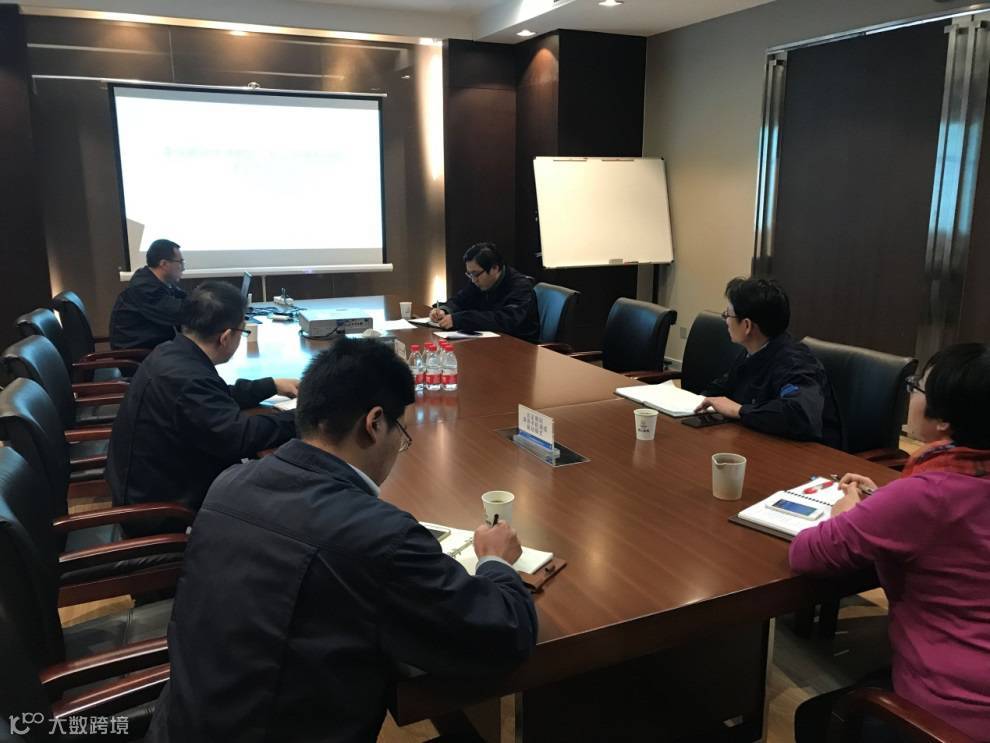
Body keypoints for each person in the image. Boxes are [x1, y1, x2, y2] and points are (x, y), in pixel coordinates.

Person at [147, 338, 538, 742]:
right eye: (401, 432)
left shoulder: (229, 484)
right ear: (374, 423)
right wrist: (495, 561)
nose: (399, 447)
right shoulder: (381, 537)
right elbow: (504, 634)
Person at [790, 343, 990, 742]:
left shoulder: (926, 496)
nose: (910, 394)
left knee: (813, 718)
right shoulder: (949, 482)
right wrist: (885, 501)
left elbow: (807, 554)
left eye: (918, 387)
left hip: (953, 717)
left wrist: (846, 513)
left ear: (944, 420)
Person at [106, 281, 297, 534]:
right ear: (225, 337)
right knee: (284, 495)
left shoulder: (173, 352)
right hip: (163, 512)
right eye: (242, 332)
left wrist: (271, 385)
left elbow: (214, 396)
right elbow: (239, 437)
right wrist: (302, 417)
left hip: (151, 485)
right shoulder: (188, 379)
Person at [695, 276, 842, 448]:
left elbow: (798, 414)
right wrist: (698, 401)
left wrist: (739, 410)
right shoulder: (753, 350)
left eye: (728, 314)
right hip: (758, 441)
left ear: (747, 326)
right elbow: (725, 386)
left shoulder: (796, 362)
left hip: (807, 454)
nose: (725, 320)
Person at [429, 242, 540, 342]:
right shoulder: (479, 281)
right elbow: (460, 300)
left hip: (519, 344)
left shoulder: (521, 286)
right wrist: (444, 310)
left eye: (476, 274)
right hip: (490, 339)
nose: (473, 280)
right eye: (469, 274)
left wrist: (460, 319)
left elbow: (505, 320)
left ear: (495, 268)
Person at [110, 238, 190, 351]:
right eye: (180, 262)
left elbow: (184, 300)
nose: (183, 268)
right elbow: (177, 312)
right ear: (164, 264)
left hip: (149, 345)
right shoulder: (145, 288)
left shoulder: (155, 281)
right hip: (136, 353)